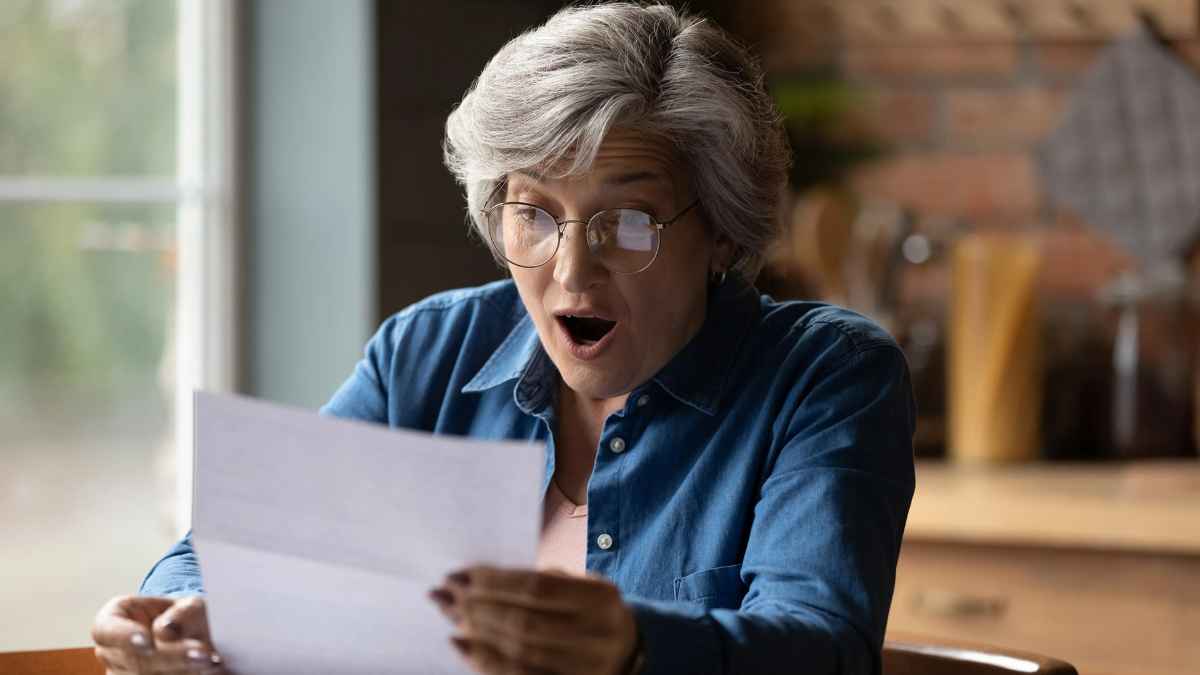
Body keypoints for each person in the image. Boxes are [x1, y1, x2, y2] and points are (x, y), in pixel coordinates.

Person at [91, 3, 915, 674]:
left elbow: (823, 648)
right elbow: (235, 550)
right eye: (535, 215)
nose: (573, 271)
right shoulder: (426, 355)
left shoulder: (827, 374)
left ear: (725, 234)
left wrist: (635, 647)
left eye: (628, 222)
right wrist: (169, 612)